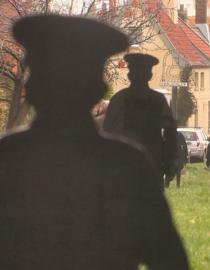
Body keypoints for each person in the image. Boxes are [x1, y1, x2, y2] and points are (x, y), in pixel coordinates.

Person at [0, 15, 189, 269]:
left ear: (32, 85)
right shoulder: (127, 166)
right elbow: (169, 259)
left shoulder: (8, 158)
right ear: (97, 88)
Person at [103, 53, 177, 185]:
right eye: (136, 71)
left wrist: (170, 162)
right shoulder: (120, 100)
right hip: (127, 165)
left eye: (142, 71)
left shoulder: (157, 100)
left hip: (150, 163)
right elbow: (108, 134)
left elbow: (170, 133)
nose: (139, 75)